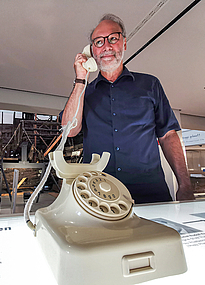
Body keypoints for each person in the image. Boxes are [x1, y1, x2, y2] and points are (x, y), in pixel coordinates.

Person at [61, 14, 194, 204]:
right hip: (100, 198)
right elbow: (70, 130)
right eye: (99, 42)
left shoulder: (150, 84)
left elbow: (168, 135)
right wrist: (81, 79)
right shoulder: (84, 93)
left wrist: (185, 184)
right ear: (91, 51)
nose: (106, 46)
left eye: (113, 38)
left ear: (124, 43)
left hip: (151, 194)